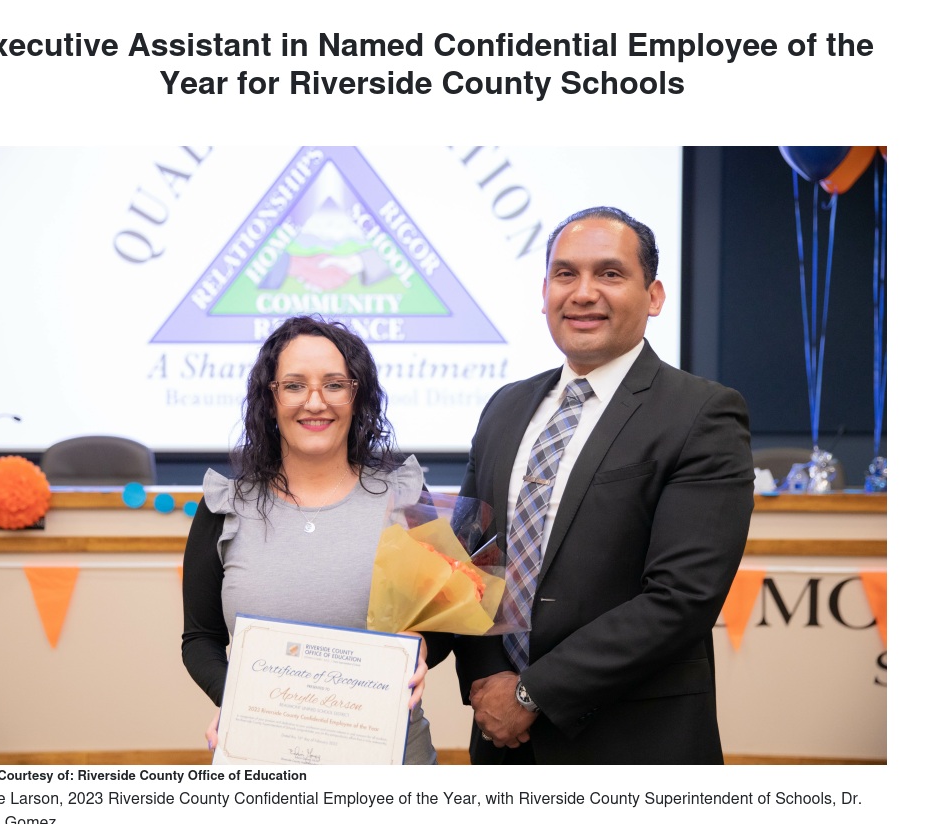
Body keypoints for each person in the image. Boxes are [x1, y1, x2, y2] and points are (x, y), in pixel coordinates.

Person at [455, 206, 755, 764]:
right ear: (544, 292)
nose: (583, 293)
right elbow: (469, 564)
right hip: (502, 741)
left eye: (610, 274)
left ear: (654, 296)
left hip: (633, 742)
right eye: (565, 274)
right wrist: (490, 683)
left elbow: (681, 597)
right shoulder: (504, 407)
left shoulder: (702, 413)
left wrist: (531, 694)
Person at [181, 315, 438, 764]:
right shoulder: (223, 506)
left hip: (388, 763)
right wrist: (240, 702)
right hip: (263, 755)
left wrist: (424, 643)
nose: (315, 403)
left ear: (357, 396)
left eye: (334, 385)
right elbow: (200, 640)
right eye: (295, 385)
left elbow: (446, 619)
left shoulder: (407, 498)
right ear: (270, 399)